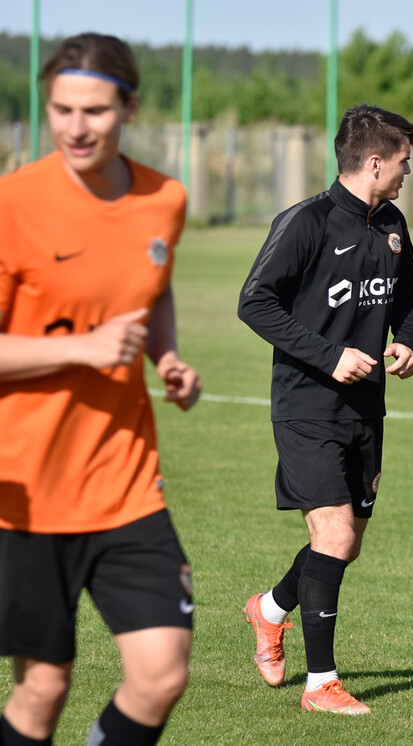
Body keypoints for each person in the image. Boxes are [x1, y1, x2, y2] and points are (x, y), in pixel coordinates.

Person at [0, 33, 201, 745]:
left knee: (161, 673)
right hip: (23, 489)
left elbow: (153, 285)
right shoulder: (13, 203)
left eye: (93, 111)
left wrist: (166, 354)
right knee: (43, 687)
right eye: (60, 110)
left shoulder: (164, 200)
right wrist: (81, 349)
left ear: (130, 109)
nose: (75, 127)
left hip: (124, 483)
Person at [237, 104, 413, 715]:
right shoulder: (305, 222)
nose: (406, 173)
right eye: (403, 162)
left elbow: (410, 300)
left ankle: (268, 610)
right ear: (375, 161)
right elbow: (255, 302)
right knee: (334, 535)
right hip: (306, 406)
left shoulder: (393, 223)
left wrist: (405, 340)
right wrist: (328, 355)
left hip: (366, 411)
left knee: (347, 545)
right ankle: (322, 685)